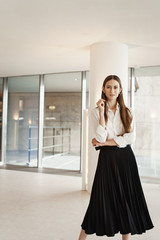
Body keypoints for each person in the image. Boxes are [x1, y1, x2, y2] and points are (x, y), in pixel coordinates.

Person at [78, 75, 154, 240]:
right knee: (99, 198)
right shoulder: (95, 112)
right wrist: (101, 112)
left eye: (115, 87)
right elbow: (100, 136)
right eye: (108, 87)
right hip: (107, 160)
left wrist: (105, 143)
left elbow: (130, 139)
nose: (112, 90)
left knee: (125, 198)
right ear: (103, 89)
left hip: (126, 159)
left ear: (120, 90)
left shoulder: (128, 111)